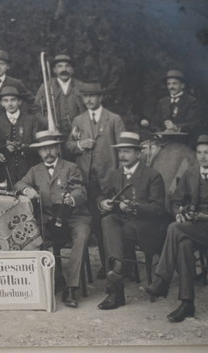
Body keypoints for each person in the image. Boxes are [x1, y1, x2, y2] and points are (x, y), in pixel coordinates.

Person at [15, 131, 91, 308]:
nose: (47, 152)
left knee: (82, 236)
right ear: (39, 152)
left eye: (51, 148)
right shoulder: (35, 170)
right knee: (34, 234)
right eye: (43, 149)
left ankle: (72, 288)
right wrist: (27, 190)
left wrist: (71, 198)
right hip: (50, 217)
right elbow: (19, 184)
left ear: (57, 149)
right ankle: (52, 280)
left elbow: (81, 190)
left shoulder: (70, 167)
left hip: (74, 216)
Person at [97, 132, 166, 310]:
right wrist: (103, 202)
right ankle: (119, 267)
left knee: (116, 232)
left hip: (145, 227)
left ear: (138, 153)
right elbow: (104, 195)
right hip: (121, 223)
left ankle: (115, 290)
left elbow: (158, 210)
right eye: (120, 152)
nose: (122, 156)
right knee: (107, 221)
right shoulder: (115, 174)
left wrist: (135, 207)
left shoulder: (152, 175)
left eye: (127, 152)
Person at [143, 134, 208, 322]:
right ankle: (187, 304)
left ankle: (162, 281)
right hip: (194, 227)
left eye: (207, 153)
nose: (203, 156)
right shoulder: (192, 172)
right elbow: (175, 200)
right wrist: (178, 212)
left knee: (174, 229)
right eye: (200, 152)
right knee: (183, 244)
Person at [66, 81, 125, 277]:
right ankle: (103, 265)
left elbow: (123, 149)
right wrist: (80, 145)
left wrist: (120, 176)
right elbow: (68, 146)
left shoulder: (114, 119)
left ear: (100, 98)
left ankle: (117, 265)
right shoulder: (78, 120)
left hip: (109, 180)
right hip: (86, 181)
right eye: (86, 96)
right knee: (94, 223)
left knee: (110, 222)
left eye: (93, 96)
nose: (89, 99)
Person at [0, 86, 46, 186]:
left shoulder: (31, 120)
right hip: (6, 170)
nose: (10, 103)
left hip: (28, 168)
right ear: (1, 103)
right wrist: (0, 150)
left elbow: (38, 145)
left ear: (19, 102)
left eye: (13, 100)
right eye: (6, 100)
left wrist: (23, 147)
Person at [0, 49, 33, 138]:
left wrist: (24, 120)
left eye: (2, 64)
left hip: (9, 130)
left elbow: (31, 102)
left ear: (7, 66)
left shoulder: (16, 83)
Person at [34, 54, 86, 138]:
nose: (64, 69)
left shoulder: (81, 86)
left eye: (67, 66)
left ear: (72, 70)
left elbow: (89, 109)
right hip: (54, 133)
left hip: (79, 133)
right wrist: (48, 123)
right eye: (60, 66)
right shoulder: (46, 86)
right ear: (54, 70)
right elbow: (36, 109)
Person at [142, 70, 200, 139]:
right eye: (168, 84)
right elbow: (155, 122)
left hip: (184, 143)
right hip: (164, 142)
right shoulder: (162, 102)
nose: (171, 87)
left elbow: (193, 124)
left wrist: (175, 127)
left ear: (182, 85)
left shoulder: (192, 102)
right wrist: (159, 133)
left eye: (174, 83)